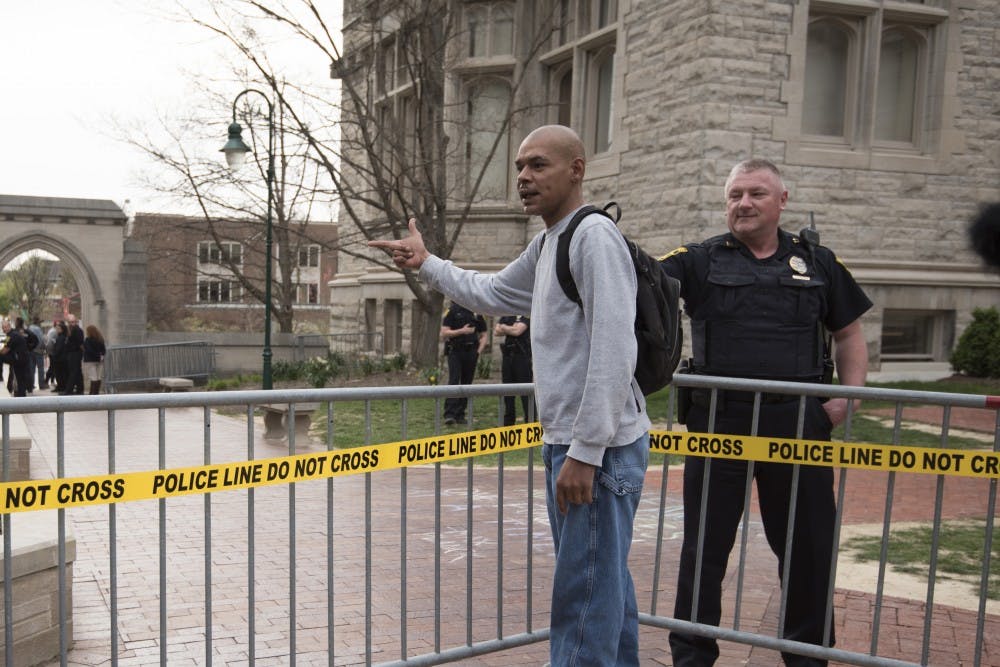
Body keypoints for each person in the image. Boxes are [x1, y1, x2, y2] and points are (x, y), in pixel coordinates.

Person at [370, 124, 650, 666]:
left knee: (584, 594)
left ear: (577, 169)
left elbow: (616, 351)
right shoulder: (550, 242)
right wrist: (427, 262)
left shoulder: (592, 238)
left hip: (597, 451)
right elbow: (493, 292)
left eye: (538, 164)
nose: (523, 176)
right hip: (577, 445)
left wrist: (586, 451)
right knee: (603, 585)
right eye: (520, 166)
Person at [659, 158, 872, 667]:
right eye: (735, 195)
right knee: (704, 551)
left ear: (782, 201)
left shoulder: (817, 262)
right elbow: (642, 289)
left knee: (808, 550)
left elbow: (848, 333)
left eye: (756, 193)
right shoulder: (699, 259)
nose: (743, 204)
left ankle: (807, 657)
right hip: (720, 423)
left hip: (797, 425)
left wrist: (849, 396)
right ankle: (691, 656)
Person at [439, 302, 487, 425]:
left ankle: (460, 414)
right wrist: (462, 331)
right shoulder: (452, 310)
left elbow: (484, 334)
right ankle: (449, 414)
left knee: (467, 383)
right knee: (454, 381)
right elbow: (444, 332)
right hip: (455, 351)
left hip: (471, 352)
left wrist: (478, 352)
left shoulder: (476, 311)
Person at [494, 314, 533, 425]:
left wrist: (504, 327)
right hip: (507, 357)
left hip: (522, 357)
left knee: (525, 391)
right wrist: (511, 328)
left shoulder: (526, 313)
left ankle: (530, 421)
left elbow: (518, 331)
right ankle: (509, 423)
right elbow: (496, 331)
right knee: (508, 391)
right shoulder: (507, 314)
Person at [0, 319, 31, 397]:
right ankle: (20, 393)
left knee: (20, 379)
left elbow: (4, 351)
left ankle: (21, 395)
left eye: (5, 327)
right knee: (19, 378)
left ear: (9, 326)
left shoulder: (12, 336)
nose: (3, 329)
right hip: (20, 359)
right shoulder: (11, 334)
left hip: (19, 360)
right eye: (2, 328)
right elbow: (4, 347)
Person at [62, 314, 85, 395]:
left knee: (74, 372)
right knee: (77, 371)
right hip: (72, 353)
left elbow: (80, 343)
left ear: (76, 322)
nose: (71, 324)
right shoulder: (70, 331)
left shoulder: (77, 330)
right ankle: (79, 389)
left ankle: (69, 390)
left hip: (75, 353)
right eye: (70, 322)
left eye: (73, 322)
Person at [82, 324, 107, 395]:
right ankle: (96, 393)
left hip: (90, 361)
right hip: (99, 361)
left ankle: (92, 394)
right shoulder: (100, 339)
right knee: (98, 377)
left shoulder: (87, 340)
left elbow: (89, 350)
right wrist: (100, 356)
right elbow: (103, 350)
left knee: (93, 378)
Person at [28, 316, 46, 392]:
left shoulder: (29, 328)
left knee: (31, 368)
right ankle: (41, 384)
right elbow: (41, 340)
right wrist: (44, 348)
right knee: (40, 368)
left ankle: (31, 385)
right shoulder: (38, 329)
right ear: (38, 322)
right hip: (38, 351)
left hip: (30, 351)